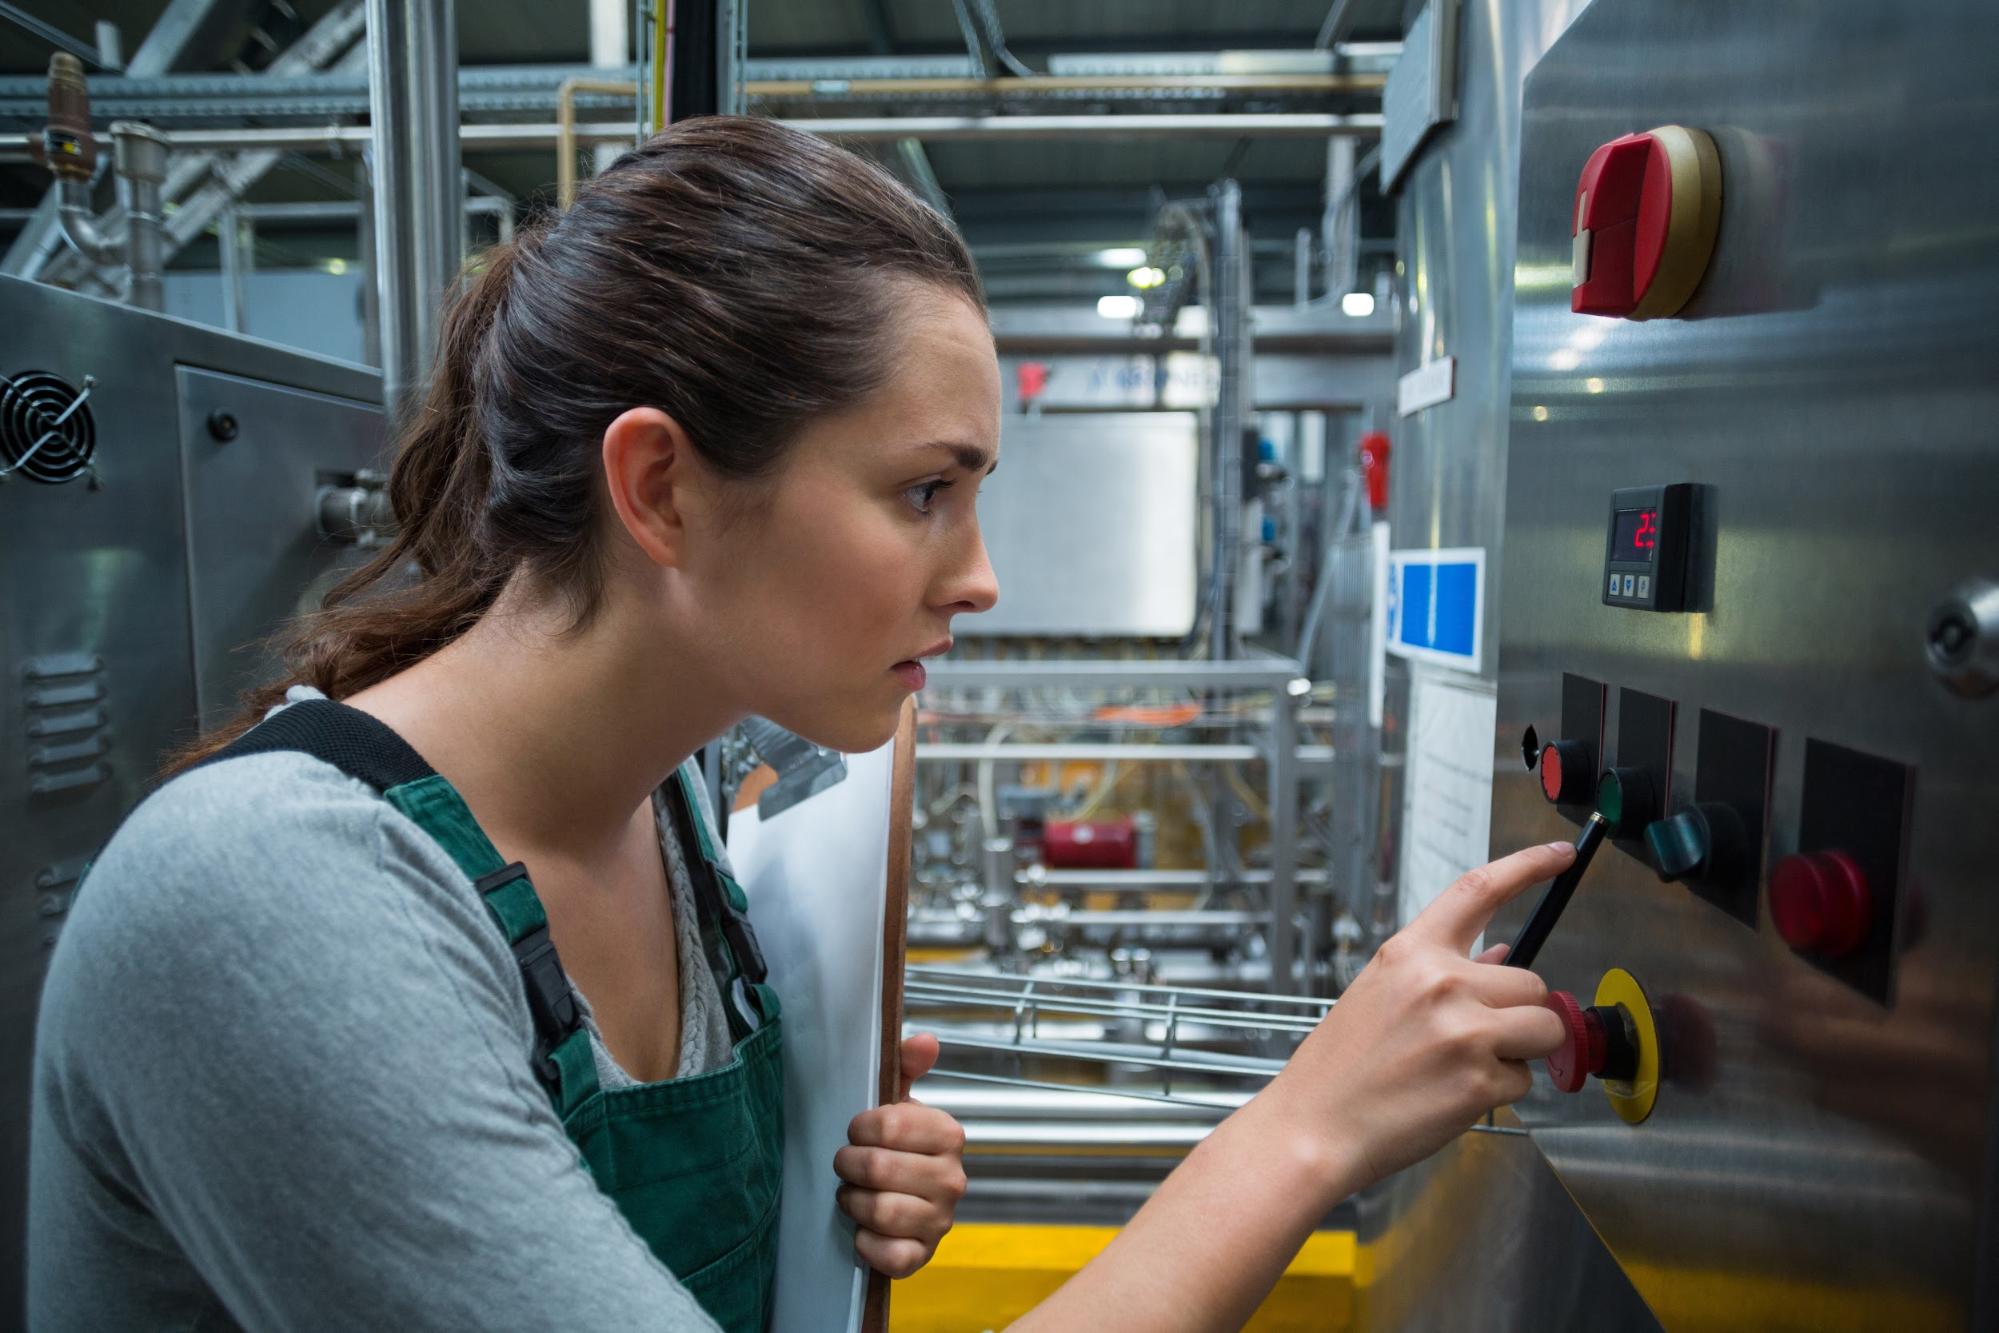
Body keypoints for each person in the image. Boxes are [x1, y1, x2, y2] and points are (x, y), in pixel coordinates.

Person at [26, 116, 1571, 1332]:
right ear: (660, 488)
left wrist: (816, 1192)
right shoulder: (277, 902)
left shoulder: (674, 816)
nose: (980, 578)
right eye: (924, 491)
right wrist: (1302, 1131)